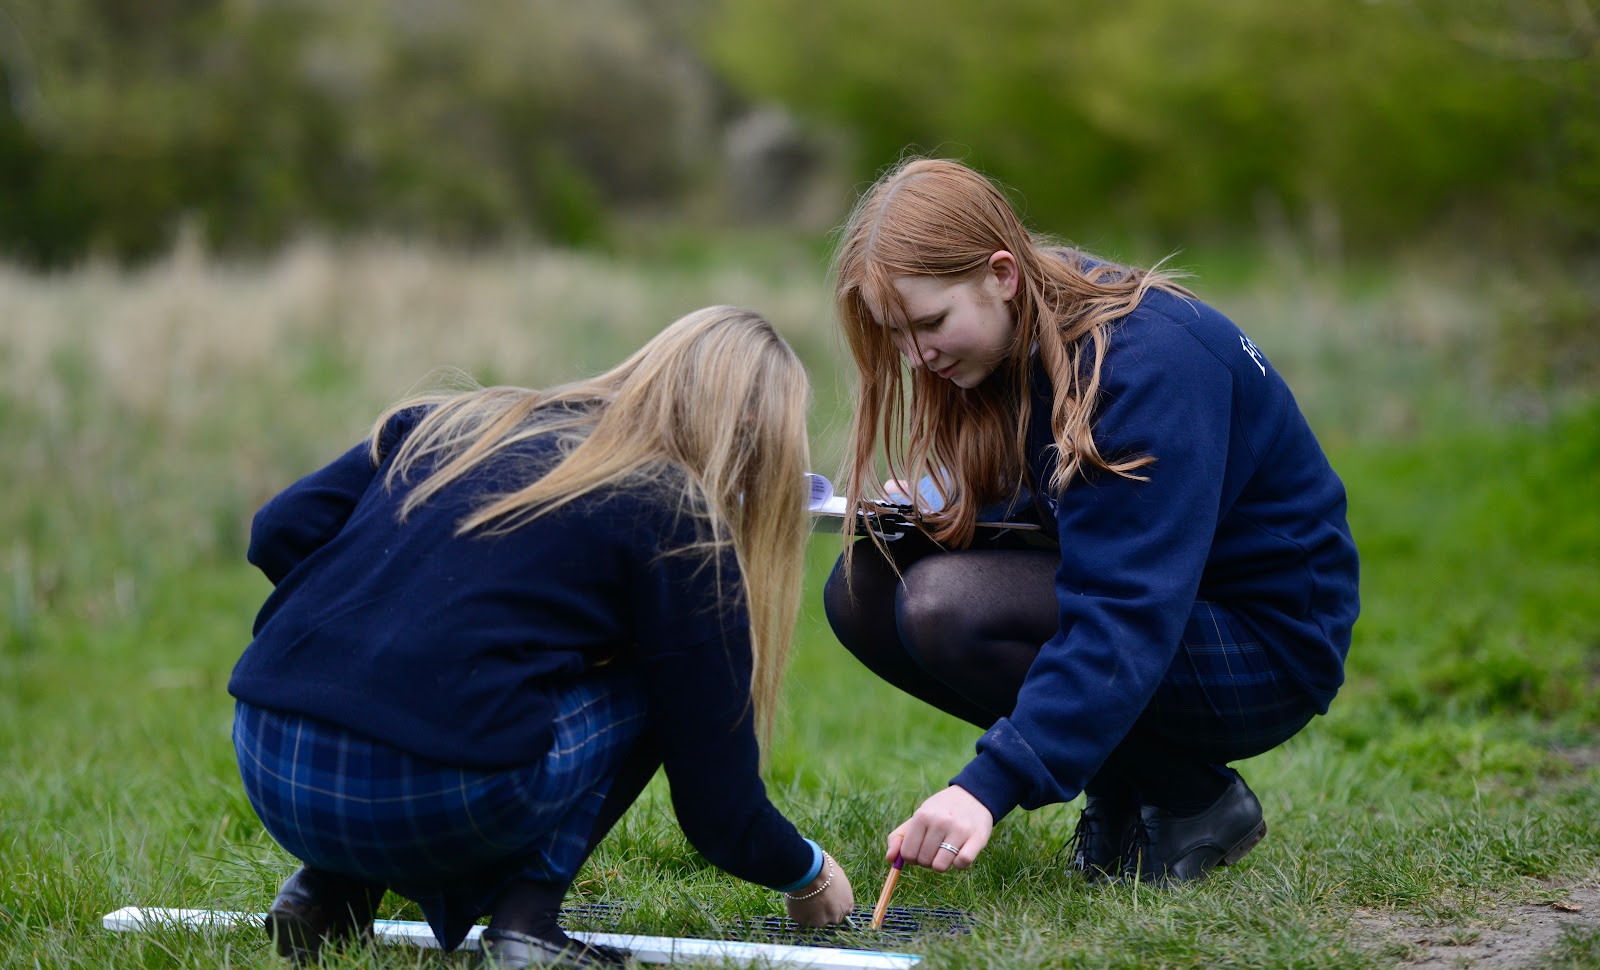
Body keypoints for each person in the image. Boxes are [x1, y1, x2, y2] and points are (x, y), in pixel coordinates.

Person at [228, 306, 856, 968]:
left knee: (406, 699)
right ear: (755, 436)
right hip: (431, 798)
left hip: (267, 761)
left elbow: (279, 529)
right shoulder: (675, 514)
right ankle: (527, 926)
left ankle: (325, 893)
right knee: (657, 674)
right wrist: (808, 871)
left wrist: (370, 620)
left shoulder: (457, 422)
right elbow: (718, 812)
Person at [823, 158, 1359, 886]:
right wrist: (949, 511)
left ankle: (1194, 800)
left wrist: (987, 786)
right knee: (864, 587)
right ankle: (1126, 788)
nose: (917, 357)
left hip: (1265, 643)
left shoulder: (1145, 366)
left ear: (1002, 274)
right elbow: (1072, 512)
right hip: (1171, 606)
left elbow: (1123, 606)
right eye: (897, 336)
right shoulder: (1007, 340)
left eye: (931, 324)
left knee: (948, 607)